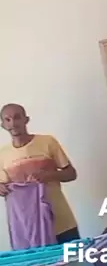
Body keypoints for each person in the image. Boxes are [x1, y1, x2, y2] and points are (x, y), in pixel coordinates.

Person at [0, 104, 79, 244]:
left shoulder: (48, 142)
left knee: (74, 257)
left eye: (17, 117)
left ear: (26, 119)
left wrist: (49, 175)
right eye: (8, 119)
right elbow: (3, 187)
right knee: (39, 260)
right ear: (3, 125)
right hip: (28, 229)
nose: (13, 123)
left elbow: (71, 174)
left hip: (61, 223)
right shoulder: (2, 155)